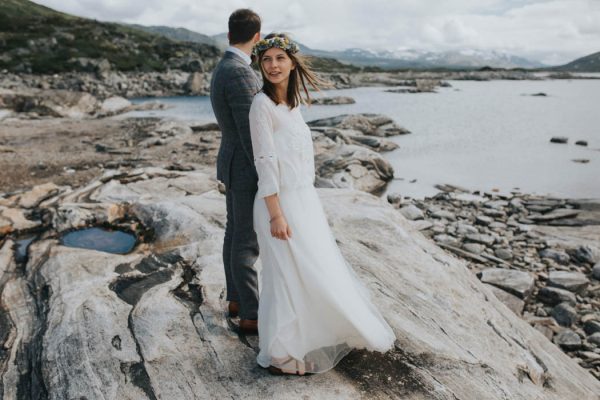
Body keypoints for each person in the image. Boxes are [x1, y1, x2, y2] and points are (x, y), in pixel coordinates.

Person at [249, 33, 396, 376]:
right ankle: (280, 353)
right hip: (278, 203)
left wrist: (306, 200)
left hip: (302, 199)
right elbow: (265, 162)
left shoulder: (294, 103)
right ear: (260, 64)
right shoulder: (261, 105)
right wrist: (276, 214)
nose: (272, 65)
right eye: (266, 59)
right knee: (284, 275)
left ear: (292, 62)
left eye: (279, 58)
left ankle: (319, 331)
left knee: (313, 270)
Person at [209, 9, 262, 334]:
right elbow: (249, 133)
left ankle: (235, 299)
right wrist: (267, 174)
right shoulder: (240, 73)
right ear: (256, 37)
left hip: (230, 162)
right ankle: (251, 313)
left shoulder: (223, 67)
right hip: (243, 167)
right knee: (246, 240)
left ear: (230, 34)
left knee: (233, 233)